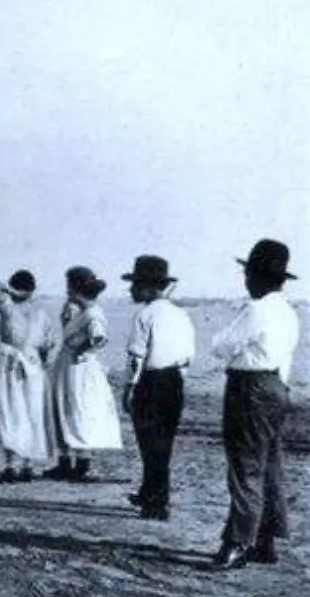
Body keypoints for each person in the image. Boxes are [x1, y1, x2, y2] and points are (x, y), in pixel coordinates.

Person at [208, 239, 300, 570]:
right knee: (268, 464)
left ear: (256, 275)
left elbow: (220, 345)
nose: (245, 280)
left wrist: (234, 350)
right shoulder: (288, 312)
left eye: (247, 273)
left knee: (245, 465)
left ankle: (238, 542)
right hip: (276, 386)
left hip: (250, 387)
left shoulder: (256, 309)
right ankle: (265, 539)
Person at [122, 255, 196, 520]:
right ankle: (151, 492)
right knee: (164, 441)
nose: (131, 290)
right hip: (175, 380)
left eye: (135, 285)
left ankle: (156, 500)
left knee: (149, 442)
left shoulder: (144, 315)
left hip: (150, 381)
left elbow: (137, 357)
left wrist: (130, 387)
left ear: (148, 287)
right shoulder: (181, 315)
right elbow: (188, 355)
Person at [44, 267, 122, 482]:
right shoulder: (82, 310)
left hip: (80, 367)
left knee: (79, 409)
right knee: (67, 408)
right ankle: (69, 462)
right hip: (72, 364)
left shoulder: (91, 313)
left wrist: (82, 350)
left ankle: (80, 464)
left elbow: (99, 338)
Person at [0, 271, 57, 483]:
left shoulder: (7, 306)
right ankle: (26, 464)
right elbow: (49, 345)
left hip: (10, 362)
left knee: (10, 411)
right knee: (32, 412)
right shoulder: (41, 313)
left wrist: (10, 290)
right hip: (33, 363)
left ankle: (13, 464)